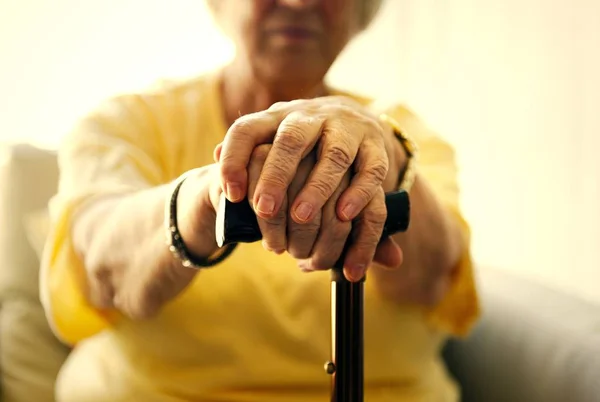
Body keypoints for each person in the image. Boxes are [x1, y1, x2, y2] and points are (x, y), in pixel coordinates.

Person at [40, 0, 480, 401]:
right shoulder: (127, 123)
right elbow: (101, 268)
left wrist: (386, 150)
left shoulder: (409, 135)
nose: (299, 3)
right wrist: (208, 197)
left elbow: (432, 282)